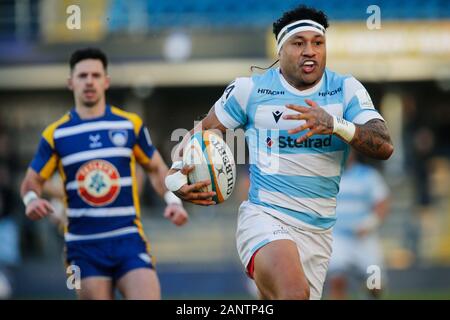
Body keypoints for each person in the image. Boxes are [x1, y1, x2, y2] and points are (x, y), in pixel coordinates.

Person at [165, 5, 394, 300]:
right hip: (266, 216)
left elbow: (384, 145)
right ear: (280, 49)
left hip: (319, 232)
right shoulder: (249, 90)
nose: (310, 50)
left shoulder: (346, 89)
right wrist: (174, 179)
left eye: (318, 42)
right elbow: (203, 131)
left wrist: (336, 125)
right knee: (293, 294)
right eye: (299, 43)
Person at [20, 48, 188, 300]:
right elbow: (31, 182)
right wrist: (31, 200)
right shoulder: (56, 134)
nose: (89, 81)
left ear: (106, 81)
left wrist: (173, 201)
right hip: (82, 246)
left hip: (128, 239)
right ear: (70, 82)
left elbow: (156, 169)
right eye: (82, 75)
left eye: (96, 75)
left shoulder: (129, 125)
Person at [327, 150, 390, 299]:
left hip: (365, 238)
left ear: (353, 153)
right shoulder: (328, 176)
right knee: (337, 280)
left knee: (375, 284)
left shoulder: (368, 175)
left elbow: (382, 203)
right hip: (338, 237)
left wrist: (369, 223)